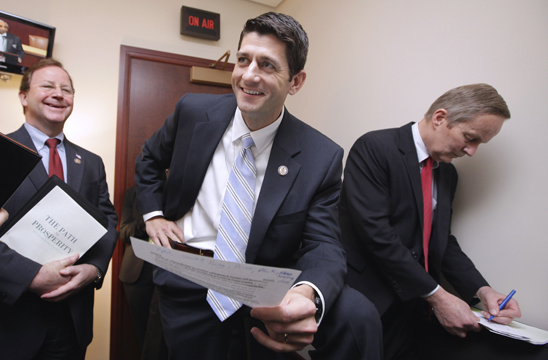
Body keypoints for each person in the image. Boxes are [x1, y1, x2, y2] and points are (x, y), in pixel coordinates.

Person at [135, 12, 381, 360]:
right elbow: (148, 158)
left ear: (295, 82)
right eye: (243, 60)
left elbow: (324, 245)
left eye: (267, 65)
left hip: (260, 298)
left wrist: (306, 292)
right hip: (186, 283)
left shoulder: (321, 156)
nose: (249, 75)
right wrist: (153, 214)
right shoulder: (192, 112)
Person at [339, 83, 522, 359]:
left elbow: (441, 241)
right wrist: (438, 296)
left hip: (412, 311)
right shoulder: (375, 148)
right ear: (440, 118)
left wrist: (481, 290)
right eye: (470, 138)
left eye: (479, 144)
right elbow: (377, 234)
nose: (472, 152)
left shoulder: (448, 174)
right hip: (366, 304)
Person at [0, 58, 118, 359]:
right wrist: (31, 276)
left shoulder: (92, 161)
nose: (59, 94)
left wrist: (94, 270)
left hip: (70, 323)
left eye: (66, 89)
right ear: (23, 96)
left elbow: (107, 222)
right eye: (48, 86)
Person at [118, 186, 166, 359]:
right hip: (137, 273)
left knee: (160, 338)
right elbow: (123, 232)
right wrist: (147, 223)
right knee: (143, 334)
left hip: (170, 269)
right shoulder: (133, 193)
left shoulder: (178, 190)